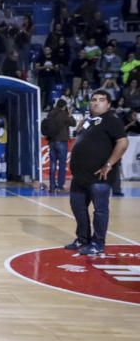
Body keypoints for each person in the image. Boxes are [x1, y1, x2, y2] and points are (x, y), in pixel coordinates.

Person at [66, 90, 128, 257]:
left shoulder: (112, 120)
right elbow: (79, 140)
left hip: (99, 177)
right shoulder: (89, 121)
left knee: (100, 210)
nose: (96, 103)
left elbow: (123, 143)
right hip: (80, 176)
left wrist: (109, 164)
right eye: (93, 100)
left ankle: (98, 243)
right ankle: (82, 238)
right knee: (78, 208)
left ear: (108, 104)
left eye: (101, 100)